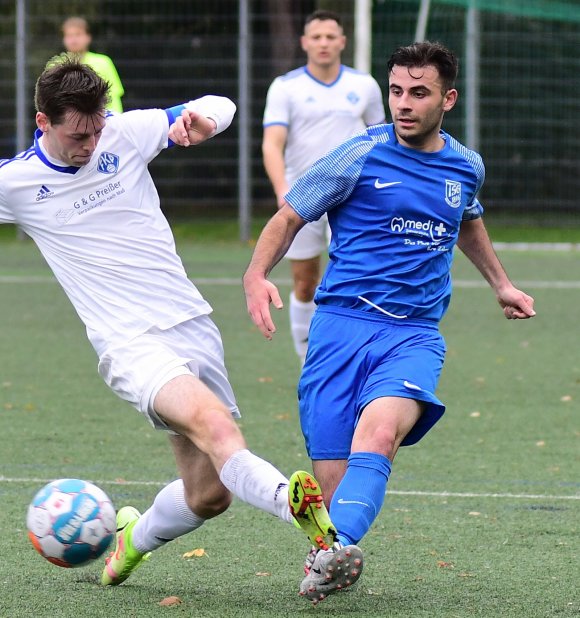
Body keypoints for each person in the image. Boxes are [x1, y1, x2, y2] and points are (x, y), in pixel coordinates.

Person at [0, 56, 338, 590]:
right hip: (130, 343)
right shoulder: (16, 183)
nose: (90, 144)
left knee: (209, 494)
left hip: (192, 324)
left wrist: (202, 121)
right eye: (77, 135)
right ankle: (305, 518)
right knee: (218, 428)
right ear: (43, 122)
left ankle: (129, 543)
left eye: (97, 129)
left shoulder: (125, 133)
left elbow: (220, 105)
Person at [244, 41, 536, 604]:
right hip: (339, 329)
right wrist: (256, 274)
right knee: (330, 490)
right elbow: (289, 215)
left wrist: (501, 283)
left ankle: (333, 550)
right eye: (397, 90)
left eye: (419, 93)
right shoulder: (356, 156)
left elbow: (467, 220)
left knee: (379, 433)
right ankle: (330, 548)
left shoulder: (465, 165)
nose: (404, 103)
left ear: (447, 99)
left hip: (414, 335)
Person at [262, 9, 385, 364]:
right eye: (316, 37)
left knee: (352, 279)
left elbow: (382, 140)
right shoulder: (286, 87)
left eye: (331, 37)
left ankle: (354, 355)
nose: (324, 43)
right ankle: (308, 362)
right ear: (304, 43)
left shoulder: (363, 85)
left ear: (342, 42)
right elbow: (272, 143)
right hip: (303, 199)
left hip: (353, 200)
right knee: (304, 284)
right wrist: (282, 188)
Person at [62, 16, 125, 113]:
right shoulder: (56, 66)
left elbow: (114, 97)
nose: (73, 40)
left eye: (78, 34)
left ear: (88, 37)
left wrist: (114, 121)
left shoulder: (103, 62)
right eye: (69, 36)